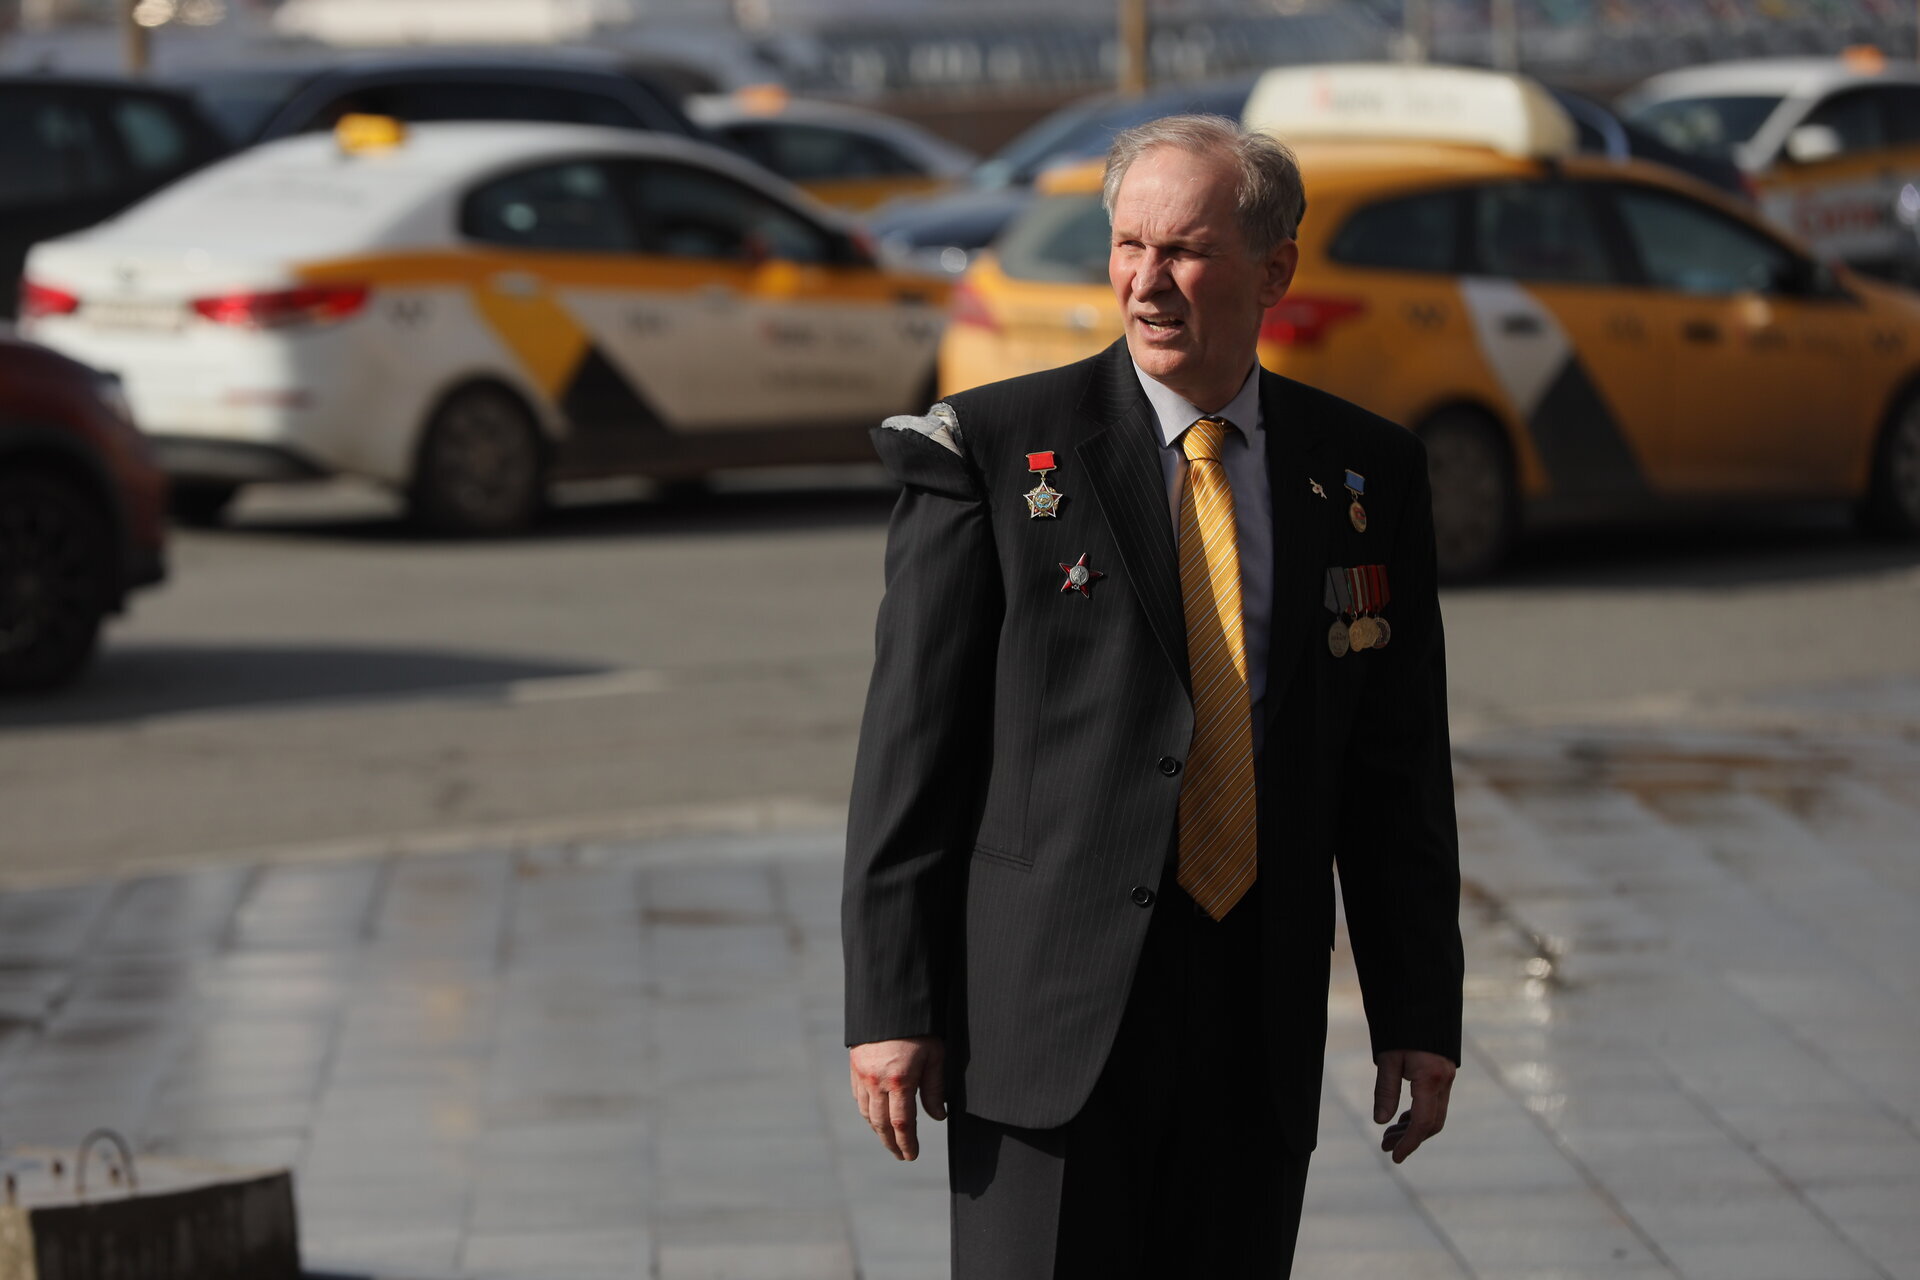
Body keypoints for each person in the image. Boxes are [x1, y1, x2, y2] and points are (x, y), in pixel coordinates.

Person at [841, 113, 1463, 1279]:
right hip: (1047, 1023)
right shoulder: (995, 450)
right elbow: (911, 751)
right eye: (1129, 245)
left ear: (1274, 269)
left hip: (1253, 1020)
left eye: (1185, 250)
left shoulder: (1364, 470)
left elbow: (1396, 770)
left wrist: (1419, 1007)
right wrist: (891, 1001)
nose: (1147, 280)